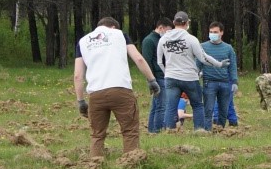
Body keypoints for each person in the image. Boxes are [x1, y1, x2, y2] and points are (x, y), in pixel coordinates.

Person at [73, 17, 161, 159]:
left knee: (97, 134)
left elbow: (78, 75)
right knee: (129, 131)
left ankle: (94, 165)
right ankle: (131, 164)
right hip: (121, 90)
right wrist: (151, 80)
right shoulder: (120, 35)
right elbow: (138, 58)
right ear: (113, 27)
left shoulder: (83, 42)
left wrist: (81, 101)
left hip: (96, 93)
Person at [158, 12, 227, 132]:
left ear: (174, 23)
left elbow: (160, 61)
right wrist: (219, 64)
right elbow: (203, 58)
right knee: (197, 105)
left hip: (171, 77)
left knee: (170, 106)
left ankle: (170, 131)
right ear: (186, 23)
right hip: (189, 78)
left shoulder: (163, 39)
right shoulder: (191, 39)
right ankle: (199, 131)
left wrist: (167, 73)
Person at [201, 22, 239, 130]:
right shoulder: (203, 47)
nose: (213, 34)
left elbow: (232, 66)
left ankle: (220, 129)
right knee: (208, 109)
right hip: (209, 82)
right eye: (211, 32)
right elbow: (198, 63)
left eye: (215, 32)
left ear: (221, 33)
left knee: (224, 110)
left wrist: (235, 81)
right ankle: (207, 130)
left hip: (225, 83)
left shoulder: (228, 48)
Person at [140, 16, 172, 133]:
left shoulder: (161, 40)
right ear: (160, 28)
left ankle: (152, 130)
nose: (168, 34)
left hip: (162, 76)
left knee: (156, 106)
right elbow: (147, 61)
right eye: (168, 31)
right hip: (157, 77)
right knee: (162, 106)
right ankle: (158, 131)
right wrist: (151, 80)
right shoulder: (149, 41)